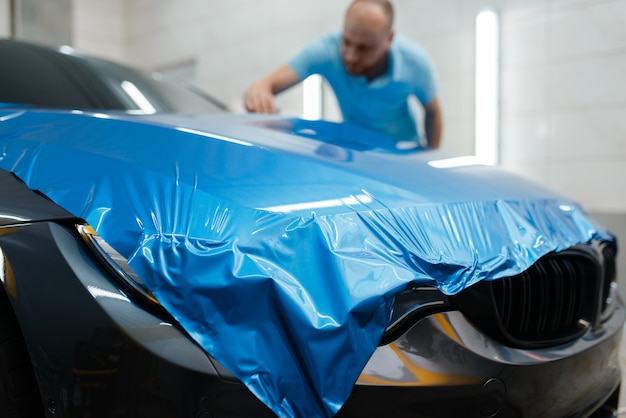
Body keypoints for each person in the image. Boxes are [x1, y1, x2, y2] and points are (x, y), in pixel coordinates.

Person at [244, 0, 443, 148]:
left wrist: (430, 155)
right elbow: (265, 85)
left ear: (389, 39)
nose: (350, 56)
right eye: (347, 41)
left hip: (402, 149)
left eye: (365, 48)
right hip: (356, 148)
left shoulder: (415, 63)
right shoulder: (326, 50)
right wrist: (259, 93)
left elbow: (433, 112)